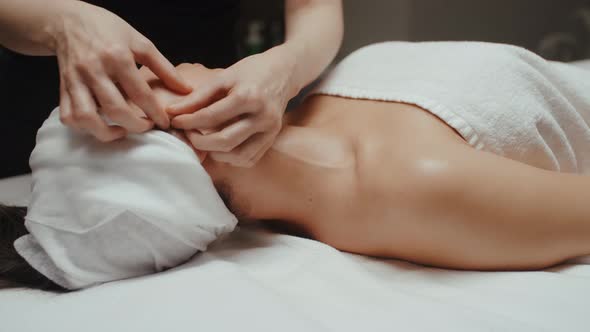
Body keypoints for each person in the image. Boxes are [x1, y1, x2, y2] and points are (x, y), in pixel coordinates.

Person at [2, 41, 590, 291]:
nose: (165, 59)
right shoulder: (409, 188)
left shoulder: (296, 106)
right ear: (195, 143)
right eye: (143, 84)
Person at [0, 0, 344, 177]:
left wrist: (288, 66)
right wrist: (61, 23)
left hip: (211, 122)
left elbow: (315, 8)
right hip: (26, 100)